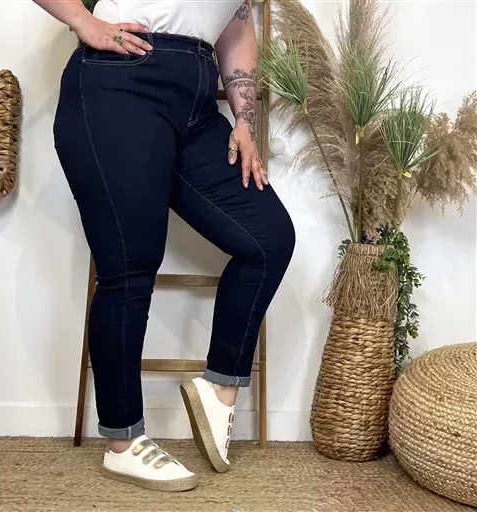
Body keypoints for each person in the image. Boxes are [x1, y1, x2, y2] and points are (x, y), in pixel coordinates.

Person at [34, 0, 295, 492]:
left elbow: (237, 26)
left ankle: (219, 391)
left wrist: (244, 121)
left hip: (196, 102)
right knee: (129, 265)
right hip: (118, 82)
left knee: (268, 239)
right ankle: (123, 442)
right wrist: (84, 21)